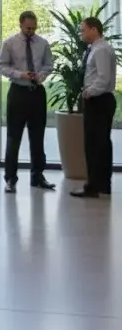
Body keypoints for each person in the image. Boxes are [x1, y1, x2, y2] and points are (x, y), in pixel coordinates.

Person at [0, 10, 56, 193]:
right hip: (18, 94)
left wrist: (42, 75)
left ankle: (37, 176)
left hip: (37, 93)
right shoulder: (10, 43)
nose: (31, 31)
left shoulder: (43, 43)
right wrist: (20, 74)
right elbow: (1, 66)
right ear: (20, 24)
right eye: (28, 28)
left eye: (34, 28)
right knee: (14, 138)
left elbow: (49, 64)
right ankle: (10, 180)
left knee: (37, 137)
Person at [71, 16, 117, 198]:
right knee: (100, 143)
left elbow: (104, 77)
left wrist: (89, 92)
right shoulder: (96, 49)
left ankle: (94, 186)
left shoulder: (101, 50)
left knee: (95, 144)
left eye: (83, 30)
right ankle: (101, 184)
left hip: (99, 101)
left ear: (94, 30)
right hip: (100, 100)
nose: (81, 33)